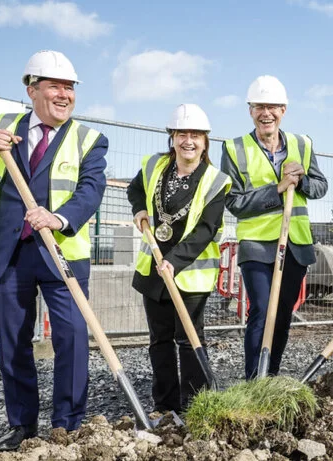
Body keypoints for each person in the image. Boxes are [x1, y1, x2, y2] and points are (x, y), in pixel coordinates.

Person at [0, 50, 107, 452]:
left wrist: (60, 218)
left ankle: (67, 425)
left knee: (72, 338)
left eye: (70, 88)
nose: (65, 95)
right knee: (13, 343)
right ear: (32, 89)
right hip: (9, 253)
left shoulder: (89, 139)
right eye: (55, 86)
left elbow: (91, 190)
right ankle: (22, 426)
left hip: (61, 253)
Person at [220, 75, 328, 379]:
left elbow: (320, 187)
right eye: (258, 107)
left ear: (284, 110)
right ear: (250, 110)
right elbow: (234, 202)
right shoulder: (235, 148)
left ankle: (271, 377)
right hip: (257, 244)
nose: (266, 113)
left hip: (295, 244)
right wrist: (277, 189)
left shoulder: (302, 144)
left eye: (273, 107)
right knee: (262, 310)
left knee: (281, 316)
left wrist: (302, 180)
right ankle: (254, 379)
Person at [128, 104, 231, 415]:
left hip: (190, 274)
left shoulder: (216, 180)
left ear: (205, 140)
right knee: (159, 340)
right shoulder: (153, 165)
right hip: (153, 270)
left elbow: (207, 228)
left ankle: (194, 405)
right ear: (172, 137)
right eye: (182, 133)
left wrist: (175, 260)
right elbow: (135, 190)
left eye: (196, 135)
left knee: (188, 340)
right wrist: (139, 210)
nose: (189, 140)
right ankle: (165, 405)